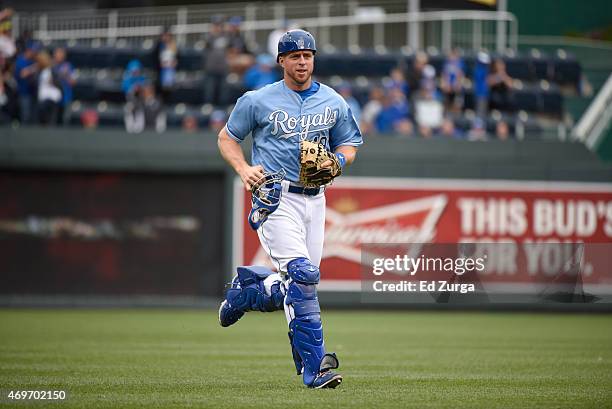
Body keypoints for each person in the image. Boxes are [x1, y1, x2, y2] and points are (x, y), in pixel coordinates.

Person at [217, 29, 362, 389]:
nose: (302, 61)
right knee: (303, 276)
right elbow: (227, 138)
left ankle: (245, 292)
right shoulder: (257, 100)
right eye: (294, 56)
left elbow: (349, 142)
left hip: (316, 199)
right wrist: (244, 168)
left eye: (307, 56)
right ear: (281, 60)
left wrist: (338, 161)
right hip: (275, 196)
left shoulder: (332, 101)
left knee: (296, 287)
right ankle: (315, 368)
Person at [36, 51, 62, 126]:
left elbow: (58, 82)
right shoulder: (39, 71)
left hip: (52, 97)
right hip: (42, 97)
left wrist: (53, 81)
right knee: (42, 119)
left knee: (50, 120)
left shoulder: (52, 70)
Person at [52, 47, 75, 125]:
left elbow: (73, 82)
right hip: (53, 98)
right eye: (58, 54)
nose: (60, 56)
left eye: (61, 54)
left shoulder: (68, 66)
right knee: (53, 120)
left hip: (66, 97)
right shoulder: (51, 66)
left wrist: (66, 75)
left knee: (65, 120)